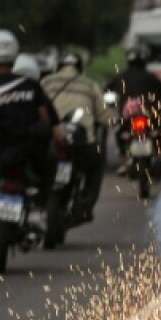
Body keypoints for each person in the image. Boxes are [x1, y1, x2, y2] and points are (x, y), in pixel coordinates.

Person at [0, 30, 60, 231]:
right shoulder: (32, 86)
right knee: (51, 159)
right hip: (29, 151)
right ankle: (39, 209)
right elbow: (46, 121)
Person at [41, 51, 110, 222]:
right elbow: (105, 118)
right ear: (79, 67)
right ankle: (85, 204)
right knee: (96, 166)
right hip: (81, 146)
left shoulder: (45, 82)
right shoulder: (90, 84)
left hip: (49, 143)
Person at [105, 43, 161, 173]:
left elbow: (107, 90)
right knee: (159, 131)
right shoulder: (151, 77)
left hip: (129, 116)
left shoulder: (120, 77)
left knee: (120, 134)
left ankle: (124, 160)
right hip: (148, 114)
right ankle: (160, 155)